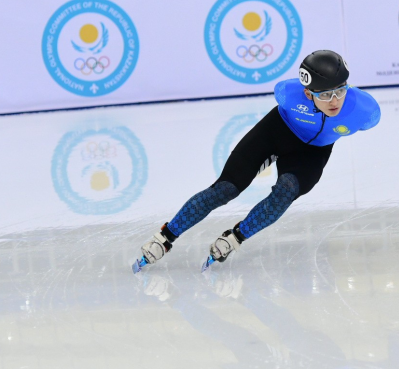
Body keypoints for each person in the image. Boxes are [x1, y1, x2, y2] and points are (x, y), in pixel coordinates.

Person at [134, 50, 381, 272]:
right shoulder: (288, 94)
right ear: (307, 92)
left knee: (286, 192)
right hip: (276, 133)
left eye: (340, 90)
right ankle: (164, 238)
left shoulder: (365, 110)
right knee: (225, 189)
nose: (335, 101)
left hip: (311, 153)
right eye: (325, 94)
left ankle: (235, 238)